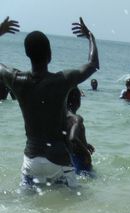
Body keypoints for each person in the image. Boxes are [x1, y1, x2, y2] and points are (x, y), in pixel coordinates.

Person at [0, 16, 99, 188]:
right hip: (60, 160)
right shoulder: (62, 80)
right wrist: (90, 37)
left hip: (31, 161)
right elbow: (92, 64)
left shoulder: (16, 79)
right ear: (50, 55)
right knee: (72, 210)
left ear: (27, 54)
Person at [67, 86, 94, 174]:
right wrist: (86, 152)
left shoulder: (62, 117)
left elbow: (66, 137)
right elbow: (73, 138)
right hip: (80, 158)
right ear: (77, 101)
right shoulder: (77, 119)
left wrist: (85, 144)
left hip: (68, 157)